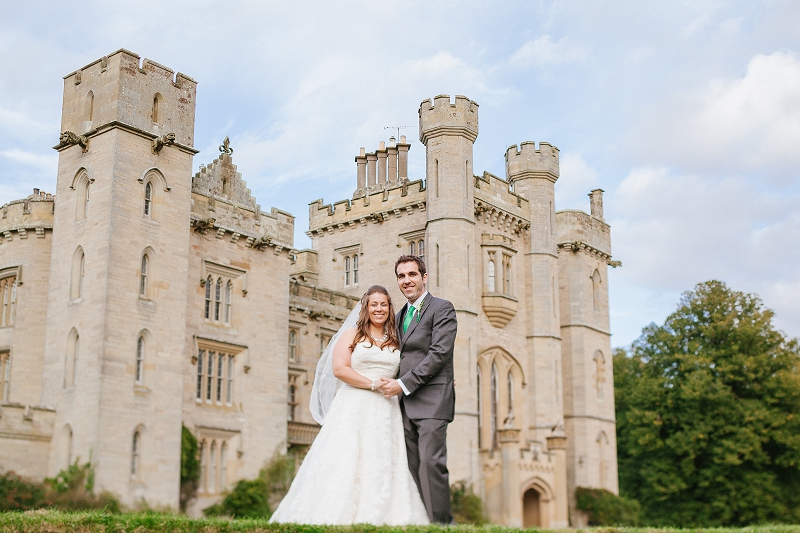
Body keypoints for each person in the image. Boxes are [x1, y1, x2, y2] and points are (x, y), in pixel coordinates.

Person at [269, 285, 429, 525]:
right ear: (365, 307)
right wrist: (373, 384)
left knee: (383, 458)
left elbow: (414, 365)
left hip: (387, 409)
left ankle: (385, 515)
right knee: (347, 456)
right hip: (355, 403)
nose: (379, 309)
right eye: (374, 304)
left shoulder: (396, 338)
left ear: (389, 308)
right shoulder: (352, 334)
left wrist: (440, 378)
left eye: (383, 304)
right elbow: (340, 369)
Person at [380, 255, 458, 524]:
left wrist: (403, 384)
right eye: (401, 276)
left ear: (424, 277)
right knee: (412, 466)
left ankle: (442, 525)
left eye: (412, 275)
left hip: (432, 400)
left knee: (431, 463)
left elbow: (439, 353)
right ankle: (422, 521)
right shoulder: (398, 315)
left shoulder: (442, 308)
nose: (406, 281)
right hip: (402, 406)